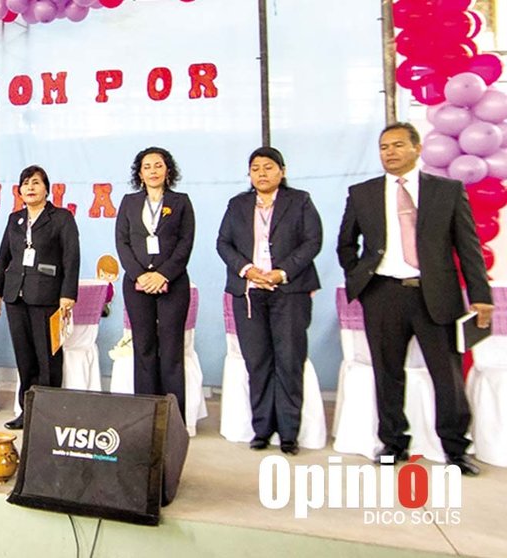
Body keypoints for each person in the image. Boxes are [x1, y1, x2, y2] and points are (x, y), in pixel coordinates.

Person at [338, 122, 494, 476]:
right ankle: (393, 443)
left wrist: (480, 295)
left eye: (396, 145)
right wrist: (360, 280)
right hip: (383, 294)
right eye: (383, 147)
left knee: (447, 376)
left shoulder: (446, 191)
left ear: (417, 148)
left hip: (435, 294)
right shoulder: (363, 193)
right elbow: (345, 244)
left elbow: (467, 247)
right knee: (387, 374)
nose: (389, 152)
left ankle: (456, 449)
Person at [216, 147, 322, 455]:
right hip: (249, 291)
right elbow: (223, 242)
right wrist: (246, 269)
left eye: (268, 167)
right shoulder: (238, 204)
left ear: (282, 171)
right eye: (255, 168)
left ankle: (289, 433)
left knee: (289, 361)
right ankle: (262, 429)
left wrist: (282, 272)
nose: (262, 173)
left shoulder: (299, 201)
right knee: (257, 362)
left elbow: (312, 240)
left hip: (289, 290)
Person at [0, 165, 80, 430]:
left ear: (46, 189)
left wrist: (67, 294)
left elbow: (71, 257)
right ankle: (27, 412)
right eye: (26, 183)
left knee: (48, 359)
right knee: (25, 359)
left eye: (36, 183)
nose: (30, 187)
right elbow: (3, 257)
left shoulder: (61, 218)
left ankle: (50, 414)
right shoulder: (14, 219)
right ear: (19, 190)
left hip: (48, 296)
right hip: (15, 297)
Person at [115, 147, 195, 420]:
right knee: (144, 348)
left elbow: (185, 243)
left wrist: (163, 275)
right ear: (140, 173)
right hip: (137, 285)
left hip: (173, 284)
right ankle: (146, 415)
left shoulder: (181, 201)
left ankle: (174, 418)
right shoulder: (129, 202)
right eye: (147, 166)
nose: (152, 170)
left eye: (158, 165)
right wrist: (140, 275)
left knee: (172, 350)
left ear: (167, 170)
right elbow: (122, 242)